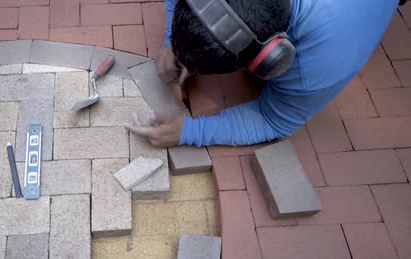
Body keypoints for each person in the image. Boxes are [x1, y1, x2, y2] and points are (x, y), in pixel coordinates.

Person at [126, 0, 404, 148]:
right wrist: (172, 41)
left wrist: (192, 131)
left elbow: (273, 120)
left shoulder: (322, 62)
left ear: (267, 58)